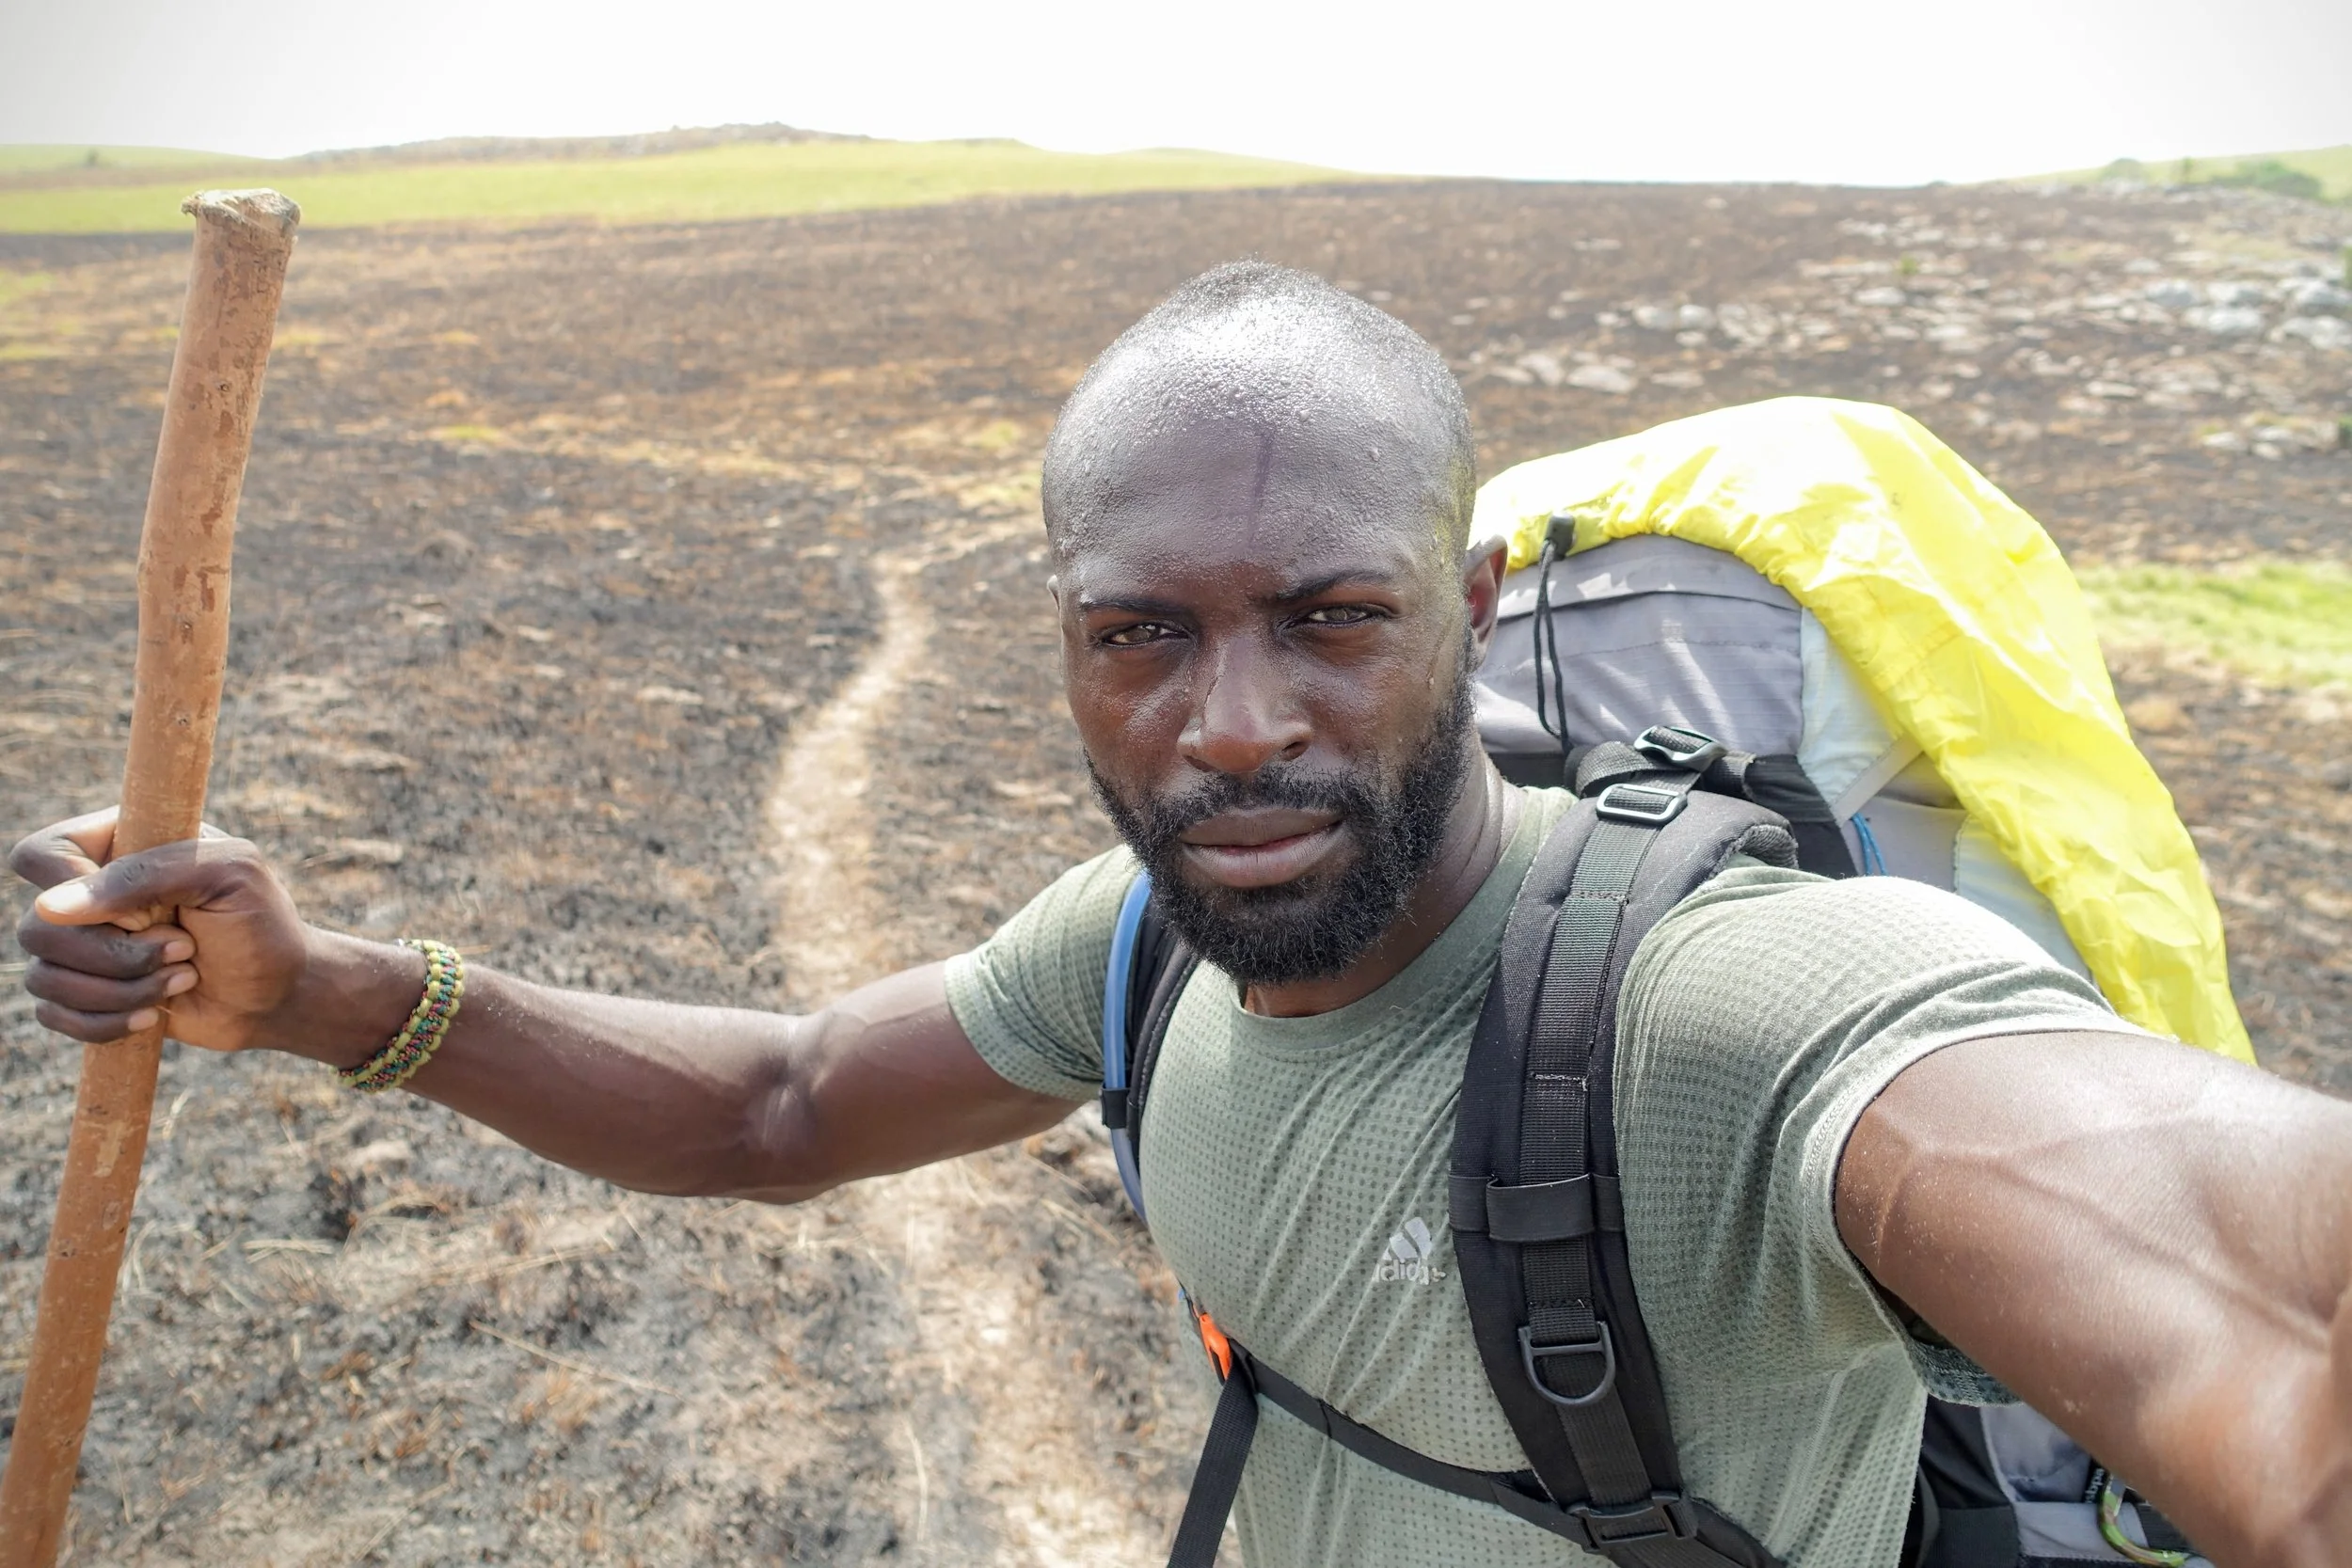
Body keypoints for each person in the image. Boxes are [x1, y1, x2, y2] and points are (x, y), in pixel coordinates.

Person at [10, 263, 2348, 1568]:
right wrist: (322, 994)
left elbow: (2251, 1292)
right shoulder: (1136, 944)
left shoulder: (1737, 1007)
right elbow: (789, 1097)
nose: (1231, 727)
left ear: (1468, 596)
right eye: (1143, 636)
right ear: (1062, 628)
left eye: (1330, 618)